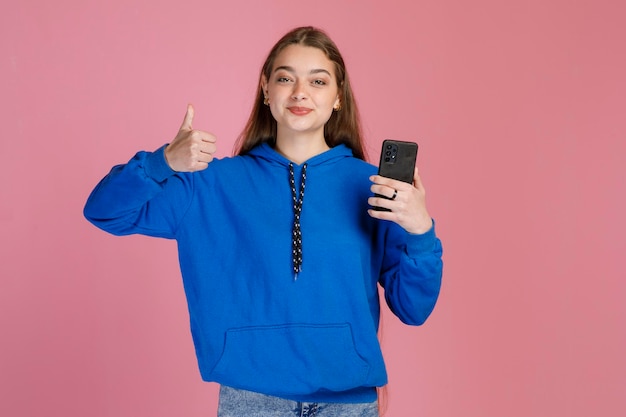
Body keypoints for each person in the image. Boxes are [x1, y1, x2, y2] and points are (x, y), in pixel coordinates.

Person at [84, 26, 443, 417]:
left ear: (338, 96)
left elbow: (413, 309)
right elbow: (105, 211)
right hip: (251, 400)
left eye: (318, 81)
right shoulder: (209, 184)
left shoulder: (372, 186)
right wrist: (163, 162)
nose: (300, 92)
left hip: (349, 403)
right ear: (266, 90)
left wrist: (420, 231)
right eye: (286, 78)